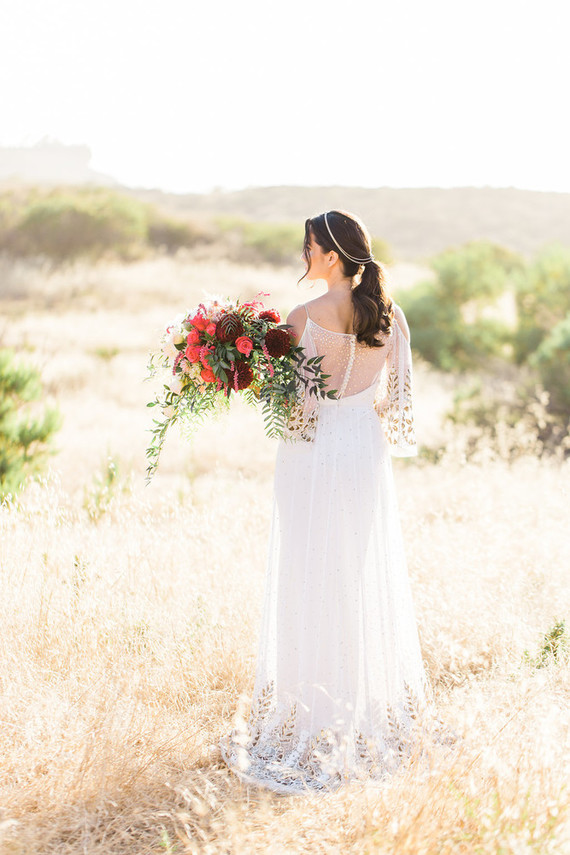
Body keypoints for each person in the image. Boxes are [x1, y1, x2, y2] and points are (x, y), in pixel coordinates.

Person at [219, 209, 430, 795]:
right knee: (356, 575)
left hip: (313, 455)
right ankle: (360, 711)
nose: (303, 256)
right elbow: (396, 402)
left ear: (332, 255)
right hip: (364, 451)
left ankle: (311, 715)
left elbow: (298, 409)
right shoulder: (390, 315)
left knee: (309, 574)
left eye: (309, 247)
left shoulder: (304, 317)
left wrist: (246, 374)